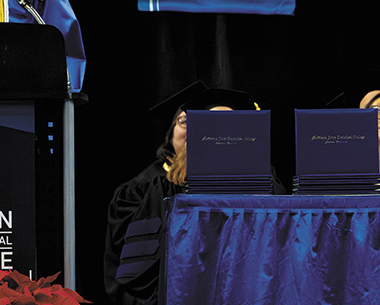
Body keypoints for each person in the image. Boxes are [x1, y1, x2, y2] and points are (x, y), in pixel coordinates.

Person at [104, 81, 264, 305]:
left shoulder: (259, 183)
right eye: (185, 121)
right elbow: (135, 267)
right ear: (170, 132)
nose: (197, 129)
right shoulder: (144, 191)